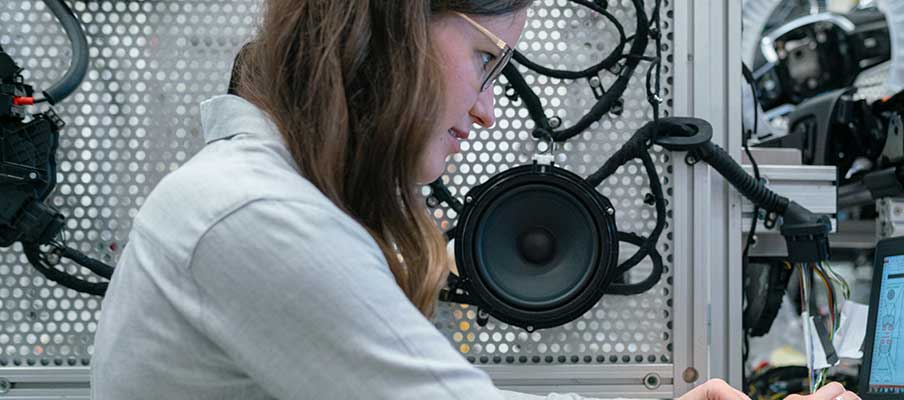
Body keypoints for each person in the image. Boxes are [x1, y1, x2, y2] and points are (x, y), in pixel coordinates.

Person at [89, 1, 859, 399]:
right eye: (485, 60)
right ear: (386, 28)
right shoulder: (257, 217)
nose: (488, 108)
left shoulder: (249, 195)